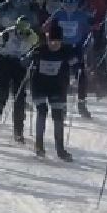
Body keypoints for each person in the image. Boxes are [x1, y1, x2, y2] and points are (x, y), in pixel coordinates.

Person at [24, 26, 81, 160]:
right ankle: (39, 145)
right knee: (42, 111)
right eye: (51, 41)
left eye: (57, 42)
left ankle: (60, 149)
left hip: (57, 87)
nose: (54, 44)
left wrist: (77, 65)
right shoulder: (39, 50)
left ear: (61, 41)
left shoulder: (66, 51)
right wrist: (31, 59)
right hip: (39, 85)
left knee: (58, 116)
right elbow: (24, 61)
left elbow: (77, 63)